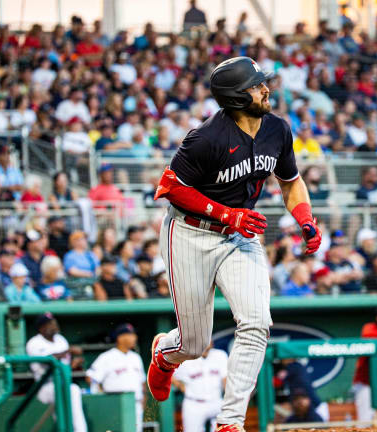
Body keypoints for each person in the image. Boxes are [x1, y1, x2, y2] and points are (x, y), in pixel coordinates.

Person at [146, 57, 322, 432]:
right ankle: (164, 354)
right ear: (237, 97)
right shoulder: (207, 137)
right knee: (194, 344)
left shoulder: (277, 128)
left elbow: (290, 180)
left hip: (240, 235)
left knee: (257, 323)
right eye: (257, 86)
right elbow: (171, 187)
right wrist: (227, 214)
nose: (266, 89)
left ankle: (230, 422)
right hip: (190, 235)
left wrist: (305, 217)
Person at [26, 312, 87, 432]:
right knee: (69, 393)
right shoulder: (34, 343)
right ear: (41, 328)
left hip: (63, 383)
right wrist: (68, 351)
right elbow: (47, 361)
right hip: (45, 386)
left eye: (54, 321)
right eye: (49, 323)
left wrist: (73, 364)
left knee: (73, 390)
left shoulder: (61, 340)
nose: (54, 325)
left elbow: (64, 364)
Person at [86, 323, 145, 431]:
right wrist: (101, 394)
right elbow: (90, 377)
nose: (134, 337)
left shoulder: (136, 357)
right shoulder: (107, 357)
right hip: (115, 404)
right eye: (131, 335)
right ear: (120, 338)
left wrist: (143, 402)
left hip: (135, 404)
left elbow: (142, 382)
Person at [172, 342, 228, 432]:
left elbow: (225, 379)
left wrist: (228, 400)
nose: (205, 347)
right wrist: (182, 387)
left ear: (212, 343)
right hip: (194, 403)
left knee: (224, 429)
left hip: (216, 402)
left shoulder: (220, 355)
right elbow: (171, 374)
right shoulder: (186, 359)